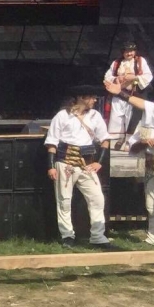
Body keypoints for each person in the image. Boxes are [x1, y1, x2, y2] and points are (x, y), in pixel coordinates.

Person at [44, 84, 111, 247]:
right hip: (65, 163)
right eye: (92, 97)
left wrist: (98, 162)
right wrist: (51, 166)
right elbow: (52, 142)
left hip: (87, 164)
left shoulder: (95, 116)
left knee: (97, 198)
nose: (95, 100)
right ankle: (67, 236)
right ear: (81, 98)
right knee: (64, 201)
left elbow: (105, 140)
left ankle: (98, 236)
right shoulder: (62, 116)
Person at [105, 79, 154, 245]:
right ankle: (153, 237)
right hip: (151, 167)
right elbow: (133, 147)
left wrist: (121, 93)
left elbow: (142, 104)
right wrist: (145, 143)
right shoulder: (147, 123)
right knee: (151, 205)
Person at [103, 41, 153, 143]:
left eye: (131, 51)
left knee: (131, 118)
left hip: (132, 95)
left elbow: (148, 76)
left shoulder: (140, 61)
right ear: (123, 52)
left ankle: (129, 142)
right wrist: (116, 78)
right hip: (118, 95)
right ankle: (116, 140)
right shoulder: (116, 63)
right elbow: (107, 77)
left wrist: (134, 77)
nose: (129, 53)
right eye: (127, 51)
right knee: (116, 118)